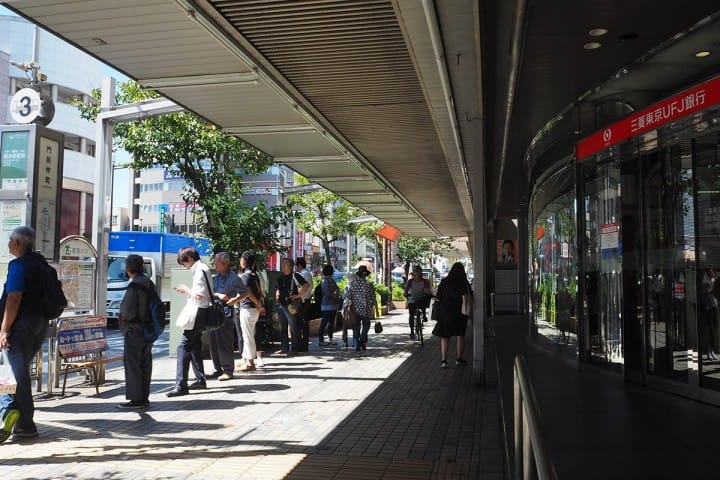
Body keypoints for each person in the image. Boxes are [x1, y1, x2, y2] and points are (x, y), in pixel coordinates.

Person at [0, 227, 49, 442]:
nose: (9, 244)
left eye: (11, 240)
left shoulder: (18, 266)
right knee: (11, 370)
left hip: (20, 326)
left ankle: (19, 419)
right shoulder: (41, 264)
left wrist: (4, 329)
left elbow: (14, 297)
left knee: (13, 373)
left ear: (18, 244)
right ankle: (12, 413)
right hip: (40, 323)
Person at [167, 246, 210, 397]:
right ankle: (200, 379)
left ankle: (181, 385)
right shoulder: (204, 268)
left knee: (183, 346)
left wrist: (186, 289)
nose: (185, 267)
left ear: (190, 259)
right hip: (203, 312)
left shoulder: (199, 271)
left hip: (198, 312)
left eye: (184, 263)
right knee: (194, 345)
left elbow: (199, 296)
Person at [117, 254, 156, 410]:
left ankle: (136, 399)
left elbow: (126, 311)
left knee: (133, 365)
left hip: (134, 330)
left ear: (128, 268)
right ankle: (144, 397)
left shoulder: (135, 285)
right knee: (145, 364)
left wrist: (123, 321)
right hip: (148, 329)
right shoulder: (148, 283)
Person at [207, 252, 246, 381]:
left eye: (217, 262)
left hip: (226, 313)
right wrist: (218, 295)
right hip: (213, 313)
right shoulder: (215, 277)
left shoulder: (234, 278)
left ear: (224, 264)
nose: (215, 264)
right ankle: (217, 369)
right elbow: (209, 292)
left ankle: (228, 370)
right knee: (213, 342)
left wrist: (234, 300)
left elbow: (245, 293)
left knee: (225, 342)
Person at [432, 262, 472, 368]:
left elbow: (438, 297)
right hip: (460, 313)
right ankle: (459, 359)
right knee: (460, 336)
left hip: (446, 313)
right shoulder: (464, 282)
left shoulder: (444, 282)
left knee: (445, 337)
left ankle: (444, 361)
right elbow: (469, 297)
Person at [236, 251, 266, 372]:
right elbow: (259, 292)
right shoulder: (255, 276)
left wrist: (257, 304)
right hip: (253, 310)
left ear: (244, 261)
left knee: (248, 337)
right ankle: (245, 359)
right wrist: (258, 305)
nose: (240, 261)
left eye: (241, 259)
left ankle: (250, 362)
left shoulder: (245, 276)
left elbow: (248, 293)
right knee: (248, 335)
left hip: (247, 309)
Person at [275, 258, 309, 355]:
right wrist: (277, 298)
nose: (283, 265)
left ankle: (294, 349)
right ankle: (284, 347)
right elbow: (277, 289)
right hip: (281, 304)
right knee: (283, 327)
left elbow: (306, 285)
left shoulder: (295, 275)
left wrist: (298, 295)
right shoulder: (280, 277)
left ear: (290, 266)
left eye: (285, 264)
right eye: (282, 263)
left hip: (291, 305)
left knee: (294, 327)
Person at [346, 265, 376, 351]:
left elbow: (348, 297)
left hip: (355, 310)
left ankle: (357, 345)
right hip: (365, 309)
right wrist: (374, 308)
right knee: (366, 325)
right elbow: (373, 298)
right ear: (366, 275)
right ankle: (361, 340)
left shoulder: (352, 284)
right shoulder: (369, 285)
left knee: (356, 327)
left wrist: (349, 308)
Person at [404, 265, 432, 339]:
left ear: (420, 272)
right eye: (415, 271)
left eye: (418, 271)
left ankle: (424, 315)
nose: (417, 273)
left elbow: (427, 289)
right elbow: (406, 290)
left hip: (421, 299)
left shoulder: (425, 281)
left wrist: (427, 292)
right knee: (411, 315)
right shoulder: (410, 281)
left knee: (425, 299)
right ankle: (412, 332)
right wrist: (406, 293)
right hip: (412, 299)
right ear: (413, 273)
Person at [294, 257, 314, 352]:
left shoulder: (303, 274)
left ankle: (302, 344)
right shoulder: (308, 274)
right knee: (304, 323)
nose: (295, 268)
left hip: (303, 301)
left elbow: (303, 287)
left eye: (296, 265)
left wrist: (298, 296)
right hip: (306, 300)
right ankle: (304, 344)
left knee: (301, 323)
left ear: (299, 265)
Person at [318, 264, 341, 346]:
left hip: (326, 305)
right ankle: (325, 339)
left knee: (327, 322)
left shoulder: (326, 281)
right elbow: (336, 290)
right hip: (331, 304)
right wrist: (335, 296)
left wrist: (334, 295)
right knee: (327, 322)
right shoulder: (330, 281)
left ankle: (326, 339)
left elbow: (328, 292)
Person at [339, 272, 356, 348]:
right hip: (355, 308)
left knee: (345, 326)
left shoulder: (347, 287)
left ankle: (345, 342)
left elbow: (343, 297)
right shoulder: (356, 286)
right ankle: (355, 342)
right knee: (355, 325)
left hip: (346, 308)